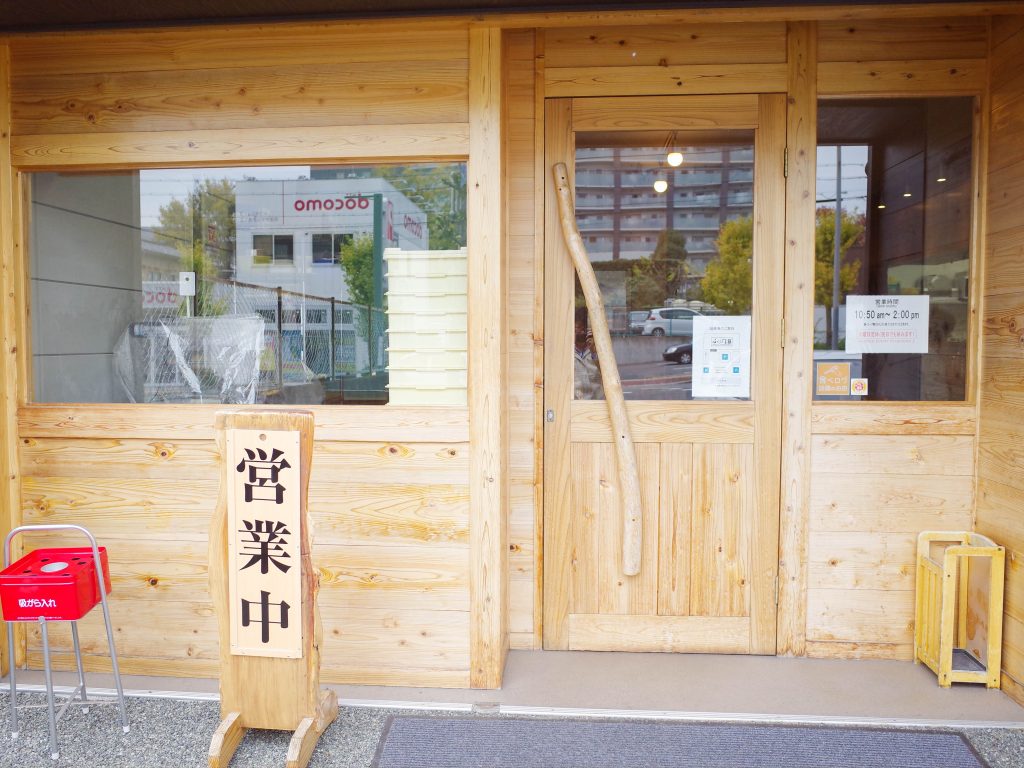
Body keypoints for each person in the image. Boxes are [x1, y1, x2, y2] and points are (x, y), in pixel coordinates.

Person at [574, 307, 604, 400]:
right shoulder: (565, 350)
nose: (582, 331)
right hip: (574, 404)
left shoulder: (600, 349)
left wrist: (594, 352)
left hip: (597, 403)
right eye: (578, 327)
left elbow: (606, 374)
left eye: (585, 328)